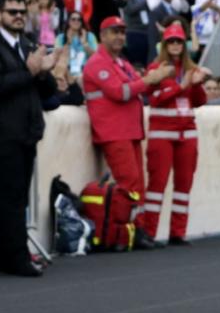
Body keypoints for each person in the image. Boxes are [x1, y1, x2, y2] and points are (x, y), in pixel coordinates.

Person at [0, 0, 61, 276]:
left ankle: (3, 256)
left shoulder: (28, 45)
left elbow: (48, 91)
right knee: (8, 198)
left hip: (26, 133)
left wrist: (43, 73)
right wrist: (28, 72)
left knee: (11, 197)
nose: (17, 15)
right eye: (11, 11)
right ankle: (14, 259)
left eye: (21, 11)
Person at [82, 16, 174, 250]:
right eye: (114, 32)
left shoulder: (121, 63)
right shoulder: (97, 63)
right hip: (114, 132)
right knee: (129, 184)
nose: (120, 36)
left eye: (122, 32)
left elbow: (139, 87)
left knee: (137, 183)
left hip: (129, 130)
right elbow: (120, 92)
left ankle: (138, 230)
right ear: (102, 36)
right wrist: (150, 79)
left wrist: (157, 77)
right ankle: (127, 233)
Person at [137, 25, 209, 246]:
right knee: (157, 185)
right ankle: (149, 232)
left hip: (187, 133)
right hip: (162, 133)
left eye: (179, 41)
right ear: (165, 45)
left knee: (184, 184)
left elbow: (199, 101)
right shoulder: (155, 69)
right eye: (172, 41)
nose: (176, 45)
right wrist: (183, 85)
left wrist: (196, 86)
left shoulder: (191, 68)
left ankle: (178, 232)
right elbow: (155, 98)